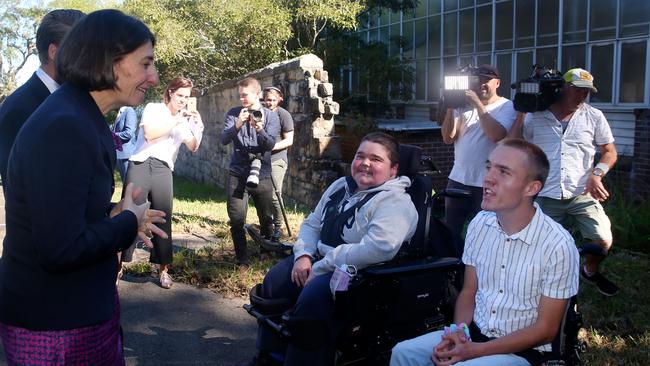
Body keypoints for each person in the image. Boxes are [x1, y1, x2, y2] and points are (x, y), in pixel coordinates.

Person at [0, 9, 165, 365]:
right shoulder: (65, 126)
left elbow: (65, 210)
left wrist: (111, 212)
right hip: (55, 325)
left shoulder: (78, 114)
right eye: (146, 63)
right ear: (110, 61)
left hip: (75, 313)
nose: (153, 77)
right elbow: (60, 248)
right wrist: (126, 223)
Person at [390, 138, 580, 366]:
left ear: (532, 188)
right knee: (403, 353)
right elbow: (469, 291)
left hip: (524, 351)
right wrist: (458, 333)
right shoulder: (480, 224)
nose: (488, 178)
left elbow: (546, 330)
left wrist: (473, 352)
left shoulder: (558, 245)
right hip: (474, 334)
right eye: (489, 167)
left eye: (504, 172)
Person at [248, 132, 419, 366]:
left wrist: (322, 266)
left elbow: (379, 248)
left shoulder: (396, 203)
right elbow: (312, 223)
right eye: (360, 156)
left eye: (376, 159)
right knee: (273, 283)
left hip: (358, 274)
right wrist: (304, 256)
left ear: (393, 170)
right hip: (318, 260)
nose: (365, 163)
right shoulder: (341, 186)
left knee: (311, 301)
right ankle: (270, 358)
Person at [508, 68, 619, 297]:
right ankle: (542, 285)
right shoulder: (535, 116)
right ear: (563, 88)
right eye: (577, 90)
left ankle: (589, 270)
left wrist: (597, 173)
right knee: (538, 246)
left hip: (581, 193)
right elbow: (511, 145)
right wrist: (521, 112)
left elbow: (609, 151)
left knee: (603, 239)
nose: (582, 96)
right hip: (546, 194)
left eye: (587, 92)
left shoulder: (594, 116)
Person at [122, 77, 204, 289]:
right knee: (130, 215)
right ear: (170, 93)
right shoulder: (154, 108)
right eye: (180, 96)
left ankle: (163, 269)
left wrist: (198, 126)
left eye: (187, 98)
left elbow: (193, 146)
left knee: (162, 217)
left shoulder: (185, 119)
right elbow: (150, 134)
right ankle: (118, 265)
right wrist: (176, 120)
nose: (183, 101)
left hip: (163, 168)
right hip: (140, 164)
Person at [0, 9, 85, 189]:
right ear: (54, 52)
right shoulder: (20, 109)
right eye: (81, 51)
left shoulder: (71, 101)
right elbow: (24, 194)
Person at [440, 64, 516, 249]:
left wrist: (477, 105)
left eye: (486, 80)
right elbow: (448, 138)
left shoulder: (507, 106)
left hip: (488, 182)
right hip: (459, 178)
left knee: (489, 232)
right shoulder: (461, 106)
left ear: (497, 82)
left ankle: (483, 269)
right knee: (451, 230)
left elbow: (496, 135)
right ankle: (454, 267)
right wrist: (451, 106)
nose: (481, 84)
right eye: (478, 80)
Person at [220, 77, 280, 265]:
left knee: (266, 217)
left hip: (261, 173)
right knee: (236, 218)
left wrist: (260, 130)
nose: (242, 100)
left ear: (257, 94)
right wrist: (238, 124)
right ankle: (242, 259)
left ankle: (266, 252)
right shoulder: (234, 113)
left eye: (245, 95)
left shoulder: (271, 116)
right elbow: (223, 139)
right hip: (238, 172)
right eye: (240, 96)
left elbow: (270, 145)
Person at [263, 86, 294, 242]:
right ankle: (265, 225)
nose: (270, 103)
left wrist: (272, 147)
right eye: (268, 100)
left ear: (280, 100)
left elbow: (289, 140)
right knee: (262, 194)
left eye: (274, 100)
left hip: (277, 159)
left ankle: (278, 227)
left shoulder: (284, 115)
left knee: (275, 195)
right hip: (260, 159)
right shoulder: (259, 113)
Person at [112, 106, 139, 185]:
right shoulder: (121, 112)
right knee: (126, 185)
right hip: (120, 155)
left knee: (129, 186)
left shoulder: (129, 111)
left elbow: (128, 133)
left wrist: (112, 135)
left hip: (127, 156)